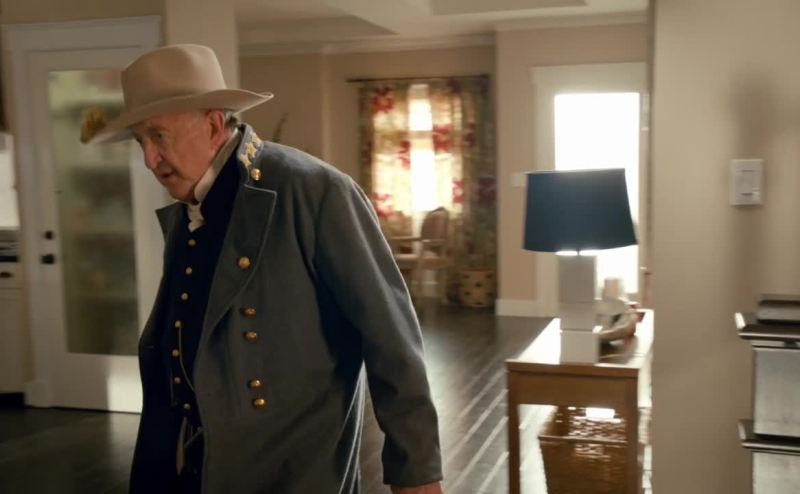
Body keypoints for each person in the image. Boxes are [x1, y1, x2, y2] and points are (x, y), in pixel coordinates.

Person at [84, 44, 443, 494]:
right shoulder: (189, 208)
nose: (149, 160)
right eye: (141, 142)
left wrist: (417, 474)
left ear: (213, 125)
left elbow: (392, 341)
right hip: (190, 466)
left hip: (292, 471)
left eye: (158, 136)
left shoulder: (314, 191)